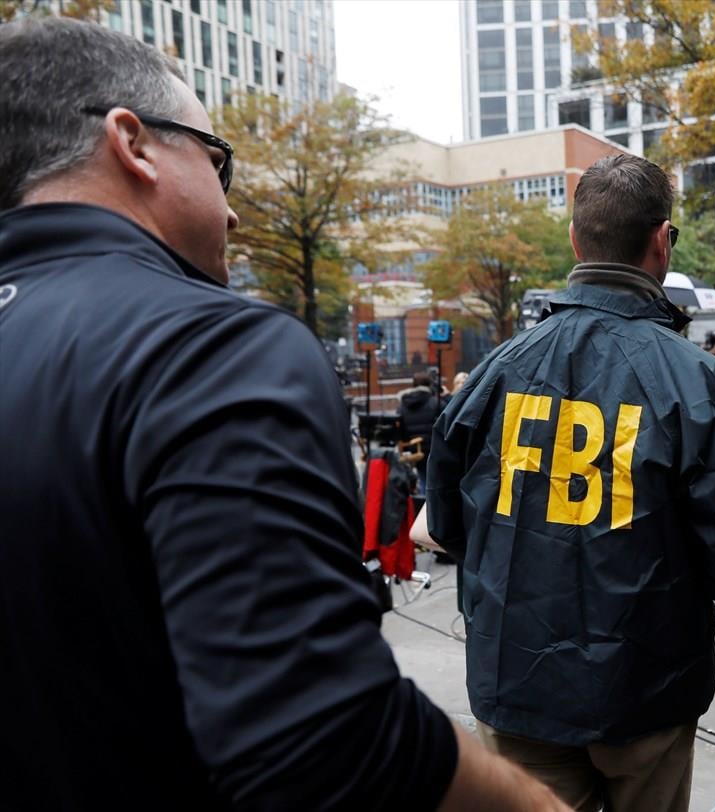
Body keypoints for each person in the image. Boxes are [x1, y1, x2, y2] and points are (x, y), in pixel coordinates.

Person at [0, 18, 564, 811]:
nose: (232, 214)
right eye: (217, 161)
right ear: (133, 143)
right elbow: (324, 741)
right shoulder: (210, 348)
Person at [420, 153, 715, 811]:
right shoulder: (708, 387)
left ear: (576, 240)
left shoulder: (491, 376)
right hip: (647, 688)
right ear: (662, 242)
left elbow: (448, 525)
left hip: (518, 683)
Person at [397, 371, 443, 495]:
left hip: (415, 449)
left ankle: (424, 501)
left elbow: (400, 426)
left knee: (423, 478)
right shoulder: (435, 402)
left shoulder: (403, 404)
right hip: (433, 447)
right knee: (434, 480)